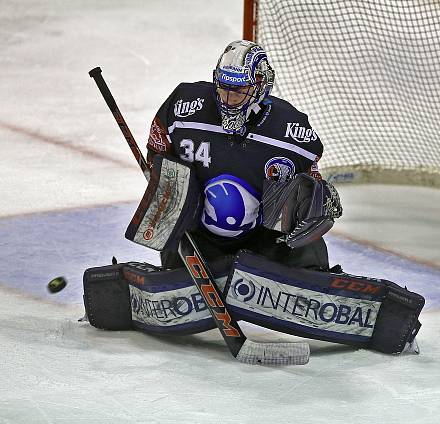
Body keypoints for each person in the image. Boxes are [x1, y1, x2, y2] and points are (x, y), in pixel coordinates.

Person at [144, 39, 340, 271]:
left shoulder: (291, 131)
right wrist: (162, 178)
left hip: (264, 242)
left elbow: (310, 188)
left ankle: (312, 284)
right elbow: (157, 154)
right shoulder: (183, 106)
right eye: (222, 88)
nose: (228, 99)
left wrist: (319, 200)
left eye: (238, 92)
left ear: (261, 86)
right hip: (194, 238)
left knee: (303, 227)